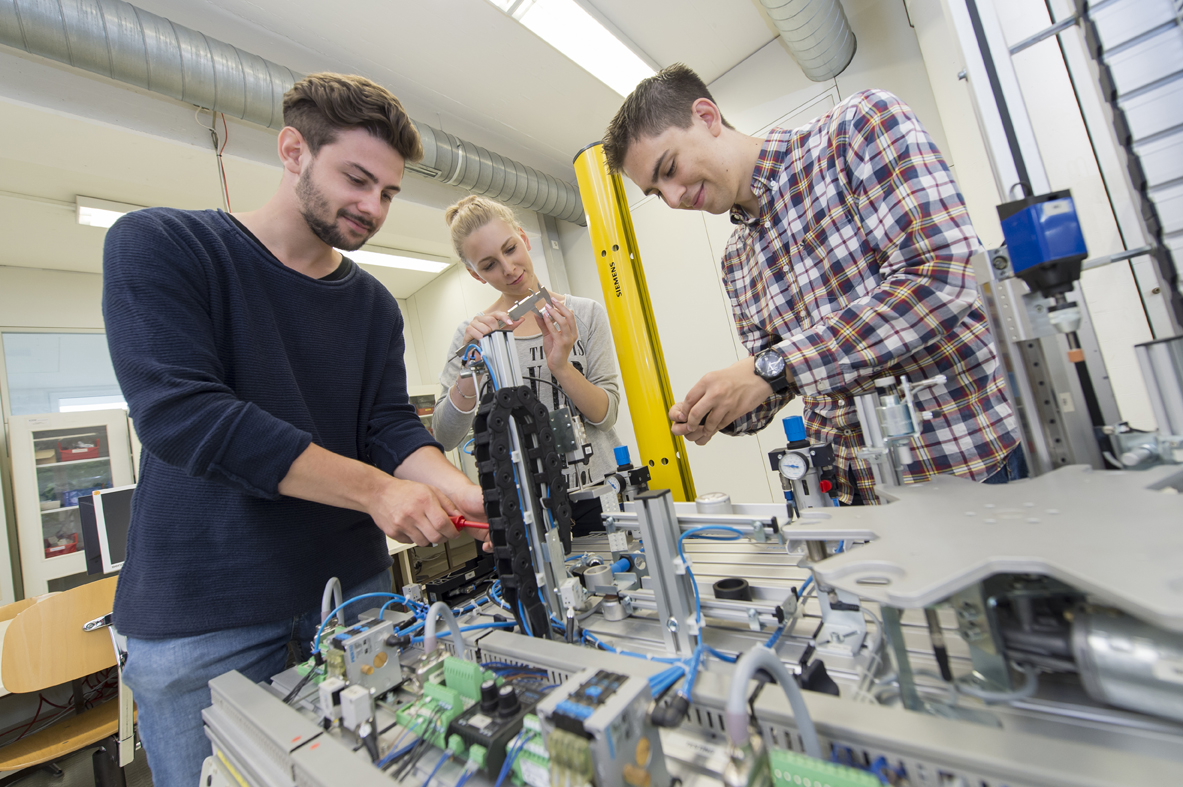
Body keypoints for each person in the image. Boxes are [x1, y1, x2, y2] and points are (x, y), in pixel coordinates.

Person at [102, 73, 486, 786]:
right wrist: (376, 492)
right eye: (357, 179)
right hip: (201, 628)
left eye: (389, 193)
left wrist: (466, 491)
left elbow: (388, 426)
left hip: (350, 606)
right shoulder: (162, 245)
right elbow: (184, 416)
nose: (372, 207)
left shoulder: (373, 306)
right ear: (292, 150)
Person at [601, 64, 1024, 504]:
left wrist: (772, 368)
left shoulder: (856, 130)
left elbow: (940, 278)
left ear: (706, 117)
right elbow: (782, 376)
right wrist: (722, 408)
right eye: (656, 192)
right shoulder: (736, 260)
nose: (674, 199)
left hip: (965, 470)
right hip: (858, 496)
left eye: (669, 168)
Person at [433, 195, 623, 535]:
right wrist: (471, 370)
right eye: (489, 265)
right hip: (523, 506)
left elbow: (605, 415)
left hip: (597, 495)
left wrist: (561, 365)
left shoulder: (585, 313)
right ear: (474, 274)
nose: (508, 269)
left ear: (524, 238)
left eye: (510, 249)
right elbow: (445, 436)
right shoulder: (474, 336)